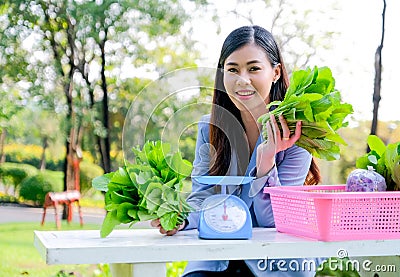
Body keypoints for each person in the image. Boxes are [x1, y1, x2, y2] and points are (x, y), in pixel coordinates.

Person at [151, 25, 323, 276]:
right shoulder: (209, 128)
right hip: (217, 257)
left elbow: (275, 221)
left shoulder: (298, 133)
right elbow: (203, 197)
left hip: (275, 264)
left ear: (275, 72)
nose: (242, 80)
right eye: (232, 70)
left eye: (254, 68)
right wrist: (181, 219)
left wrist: (266, 163)